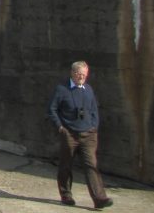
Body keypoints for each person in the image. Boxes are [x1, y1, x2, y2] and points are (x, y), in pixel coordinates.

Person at [48, 61, 112, 208]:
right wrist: (60, 127)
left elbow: (94, 109)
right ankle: (66, 195)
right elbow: (52, 109)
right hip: (69, 133)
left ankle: (99, 198)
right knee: (66, 165)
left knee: (91, 165)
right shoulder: (62, 89)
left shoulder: (88, 89)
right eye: (79, 74)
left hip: (88, 134)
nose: (82, 77)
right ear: (73, 73)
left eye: (84, 74)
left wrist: (94, 126)